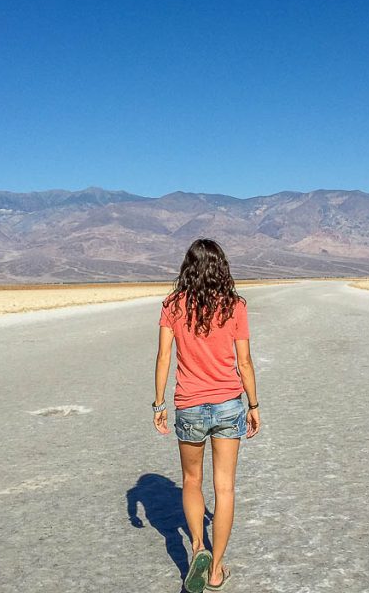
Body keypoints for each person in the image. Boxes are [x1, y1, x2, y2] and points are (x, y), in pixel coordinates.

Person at [152, 238, 261, 592]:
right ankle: (215, 569)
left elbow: (164, 358)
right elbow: (243, 361)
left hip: (189, 405)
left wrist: (159, 404)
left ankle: (198, 546)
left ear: (187, 268)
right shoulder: (234, 306)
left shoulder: (172, 305)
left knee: (192, 481)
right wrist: (254, 405)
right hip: (230, 404)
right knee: (224, 486)